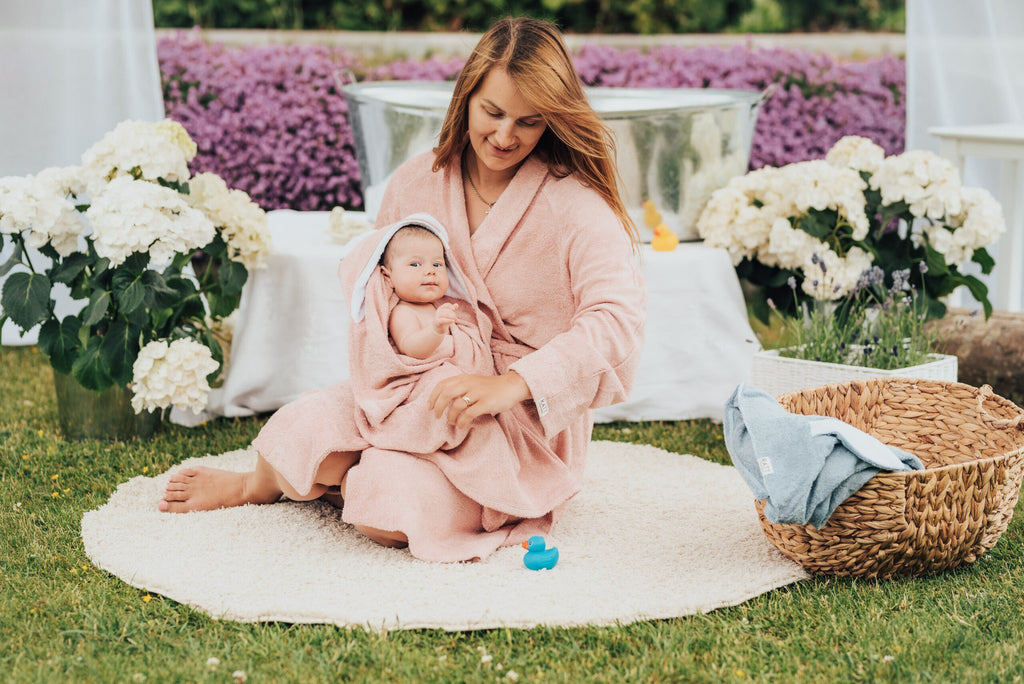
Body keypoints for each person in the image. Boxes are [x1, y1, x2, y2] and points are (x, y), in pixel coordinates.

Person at [159, 16, 647, 563]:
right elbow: (377, 296)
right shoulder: (417, 182)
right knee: (301, 431)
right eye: (492, 112)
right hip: (408, 389)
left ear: (553, 121)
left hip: (514, 419)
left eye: (529, 122)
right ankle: (257, 485)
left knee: (383, 502)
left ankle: (377, 475)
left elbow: (616, 320)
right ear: (466, 98)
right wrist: (399, 365)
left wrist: (510, 384)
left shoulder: (577, 204)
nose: (506, 136)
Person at [379, 223, 459, 359]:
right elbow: (411, 349)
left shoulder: (441, 305)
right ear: (388, 277)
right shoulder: (403, 312)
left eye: (437, 264)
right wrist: (435, 330)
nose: (431, 271)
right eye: (415, 264)